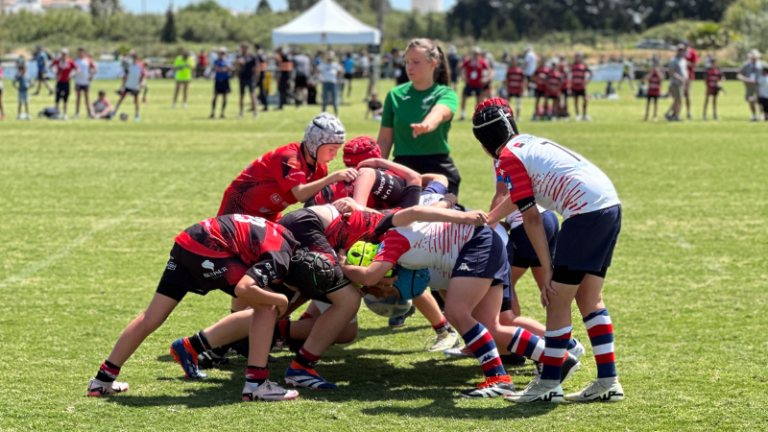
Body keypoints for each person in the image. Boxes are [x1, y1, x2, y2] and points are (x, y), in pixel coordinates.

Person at [85, 213, 332, 402]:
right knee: (267, 306)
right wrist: (281, 301)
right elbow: (244, 290)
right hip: (207, 246)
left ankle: (102, 380)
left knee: (152, 316)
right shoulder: (282, 258)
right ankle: (257, 385)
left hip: (189, 239)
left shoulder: (289, 240)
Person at [473, 97, 624, 403]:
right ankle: (608, 380)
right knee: (589, 299)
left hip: (585, 215)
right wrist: (490, 219)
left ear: (485, 142)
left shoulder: (507, 158)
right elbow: (519, 197)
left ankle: (549, 385)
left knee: (556, 299)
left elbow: (531, 218)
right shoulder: (527, 144)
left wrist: (548, 271)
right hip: (609, 204)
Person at [342, 207, 581, 399]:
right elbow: (384, 274)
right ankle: (557, 360)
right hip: (488, 243)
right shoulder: (392, 234)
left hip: (477, 245)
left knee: (457, 313)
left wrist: (341, 266)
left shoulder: (390, 240)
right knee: (491, 326)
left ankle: (499, 378)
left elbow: (370, 276)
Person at [217, 113, 351, 223]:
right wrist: (333, 177)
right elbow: (301, 194)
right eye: (331, 149)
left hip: (269, 214)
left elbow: (316, 201)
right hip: (241, 206)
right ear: (314, 143)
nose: (334, 154)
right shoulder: (289, 157)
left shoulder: (320, 168)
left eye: (337, 149)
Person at [378, 38, 461, 195]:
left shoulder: (445, 93)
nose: (410, 67)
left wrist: (427, 124)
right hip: (402, 169)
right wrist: (375, 169)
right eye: (407, 62)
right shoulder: (395, 95)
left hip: (438, 167)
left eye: (416, 62)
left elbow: (440, 112)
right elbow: (384, 140)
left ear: (433, 64)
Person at [458, 47, 493, 121]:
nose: (475, 55)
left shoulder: (482, 62)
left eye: (477, 54)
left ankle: (476, 115)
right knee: (464, 98)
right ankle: (462, 115)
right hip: (469, 83)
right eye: (474, 53)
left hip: (478, 84)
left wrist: (486, 79)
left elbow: (490, 71)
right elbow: (461, 69)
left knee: (479, 100)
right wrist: (463, 77)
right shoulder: (468, 61)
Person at [111, 51, 146, 122]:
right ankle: (114, 112)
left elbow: (144, 76)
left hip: (135, 86)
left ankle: (137, 116)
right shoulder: (129, 65)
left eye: (134, 58)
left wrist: (142, 83)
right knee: (121, 99)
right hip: (128, 85)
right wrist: (122, 86)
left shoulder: (140, 66)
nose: (133, 59)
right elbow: (125, 76)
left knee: (136, 101)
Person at [50, 48, 79, 120]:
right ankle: (56, 113)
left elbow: (77, 70)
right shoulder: (57, 61)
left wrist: (72, 76)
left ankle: (64, 114)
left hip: (66, 82)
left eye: (65, 54)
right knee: (57, 98)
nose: (64, 55)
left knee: (65, 99)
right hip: (59, 82)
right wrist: (55, 73)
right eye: (63, 54)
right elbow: (50, 67)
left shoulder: (70, 61)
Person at [736, 49, 765, 121]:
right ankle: (754, 115)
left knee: (761, 100)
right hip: (749, 85)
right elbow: (739, 74)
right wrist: (745, 79)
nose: (754, 58)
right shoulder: (746, 65)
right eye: (753, 57)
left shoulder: (762, 64)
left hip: (759, 85)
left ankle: (761, 114)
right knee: (750, 99)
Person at [73, 47, 97, 119]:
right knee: (78, 98)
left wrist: (91, 76)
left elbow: (95, 68)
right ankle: (77, 113)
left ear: (84, 52)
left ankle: (89, 113)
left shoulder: (88, 60)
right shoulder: (75, 60)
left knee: (87, 98)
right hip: (78, 81)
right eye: (79, 52)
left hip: (85, 82)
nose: (80, 53)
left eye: (82, 52)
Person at [235, 42, 258, 119]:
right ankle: (241, 113)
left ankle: (255, 113)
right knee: (241, 95)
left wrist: (256, 78)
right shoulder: (239, 56)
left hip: (250, 78)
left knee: (252, 95)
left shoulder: (252, 57)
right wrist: (238, 63)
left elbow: (256, 68)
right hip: (242, 78)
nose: (242, 49)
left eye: (243, 47)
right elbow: (236, 68)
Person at [666, 45, 688, 122]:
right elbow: (671, 72)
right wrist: (680, 78)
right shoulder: (674, 60)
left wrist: (685, 78)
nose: (681, 51)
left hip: (682, 83)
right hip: (675, 83)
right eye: (680, 50)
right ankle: (675, 115)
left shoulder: (683, 60)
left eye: (682, 50)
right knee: (679, 99)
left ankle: (672, 114)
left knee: (678, 100)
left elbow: (685, 70)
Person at [211, 47, 233, 119]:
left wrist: (225, 63)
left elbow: (229, 69)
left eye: (223, 53)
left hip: (225, 80)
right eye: (221, 53)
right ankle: (213, 112)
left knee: (224, 97)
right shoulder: (216, 61)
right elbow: (217, 69)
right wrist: (224, 69)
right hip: (218, 80)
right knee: (215, 96)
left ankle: (222, 113)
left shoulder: (228, 61)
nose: (222, 54)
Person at [319, 52, 343, 116]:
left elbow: (341, 71)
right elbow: (318, 70)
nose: (329, 60)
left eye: (331, 59)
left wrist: (338, 79)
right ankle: (323, 114)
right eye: (328, 59)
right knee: (324, 99)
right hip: (325, 82)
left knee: (334, 100)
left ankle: (336, 114)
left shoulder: (335, 65)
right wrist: (320, 78)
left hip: (333, 83)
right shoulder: (323, 65)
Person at [570, 53, 592, 121]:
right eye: (577, 57)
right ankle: (577, 115)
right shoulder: (572, 66)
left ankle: (584, 114)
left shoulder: (584, 66)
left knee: (585, 100)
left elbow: (591, 73)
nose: (578, 58)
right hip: (575, 86)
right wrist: (570, 83)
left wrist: (587, 82)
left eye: (579, 57)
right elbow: (567, 74)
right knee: (576, 100)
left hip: (581, 86)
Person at [642, 57, 664, 122]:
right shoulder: (650, 71)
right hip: (650, 90)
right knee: (648, 103)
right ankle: (646, 115)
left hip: (656, 90)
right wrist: (651, 72)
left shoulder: (660, 71)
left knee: (655, 103)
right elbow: (646, 78)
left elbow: (662, 79)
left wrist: (657, 72)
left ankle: (655, 116)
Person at [682, 40, 699, 119]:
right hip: (680, 76)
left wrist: (687, 63)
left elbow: (695, 64)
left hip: (689, 76)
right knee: (679, 95)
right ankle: (677, 112)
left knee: (687, 94)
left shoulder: (692, 52)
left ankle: (688, 112)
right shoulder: (680, 52)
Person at [532, 56, 550, 121]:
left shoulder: (548, 69)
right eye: (542, 60)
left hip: (545, 88)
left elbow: (550, 79)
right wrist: (538, 77)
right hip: (538, 88)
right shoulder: (537, 69)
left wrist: (545, 78)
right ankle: (536, 114)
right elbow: (532, 78)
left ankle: (546, 114)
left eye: (544, 60)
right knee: (537, 101)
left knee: (546, 101)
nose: (542, 61)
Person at [254, 44, 269, 111]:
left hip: (260, 74)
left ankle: (265, 105)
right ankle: (261, 104)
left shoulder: (258, 55)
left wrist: (256, 76)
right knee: (260, 90)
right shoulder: (262, 54)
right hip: (263, 73)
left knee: (260, 90)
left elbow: (258, 66)